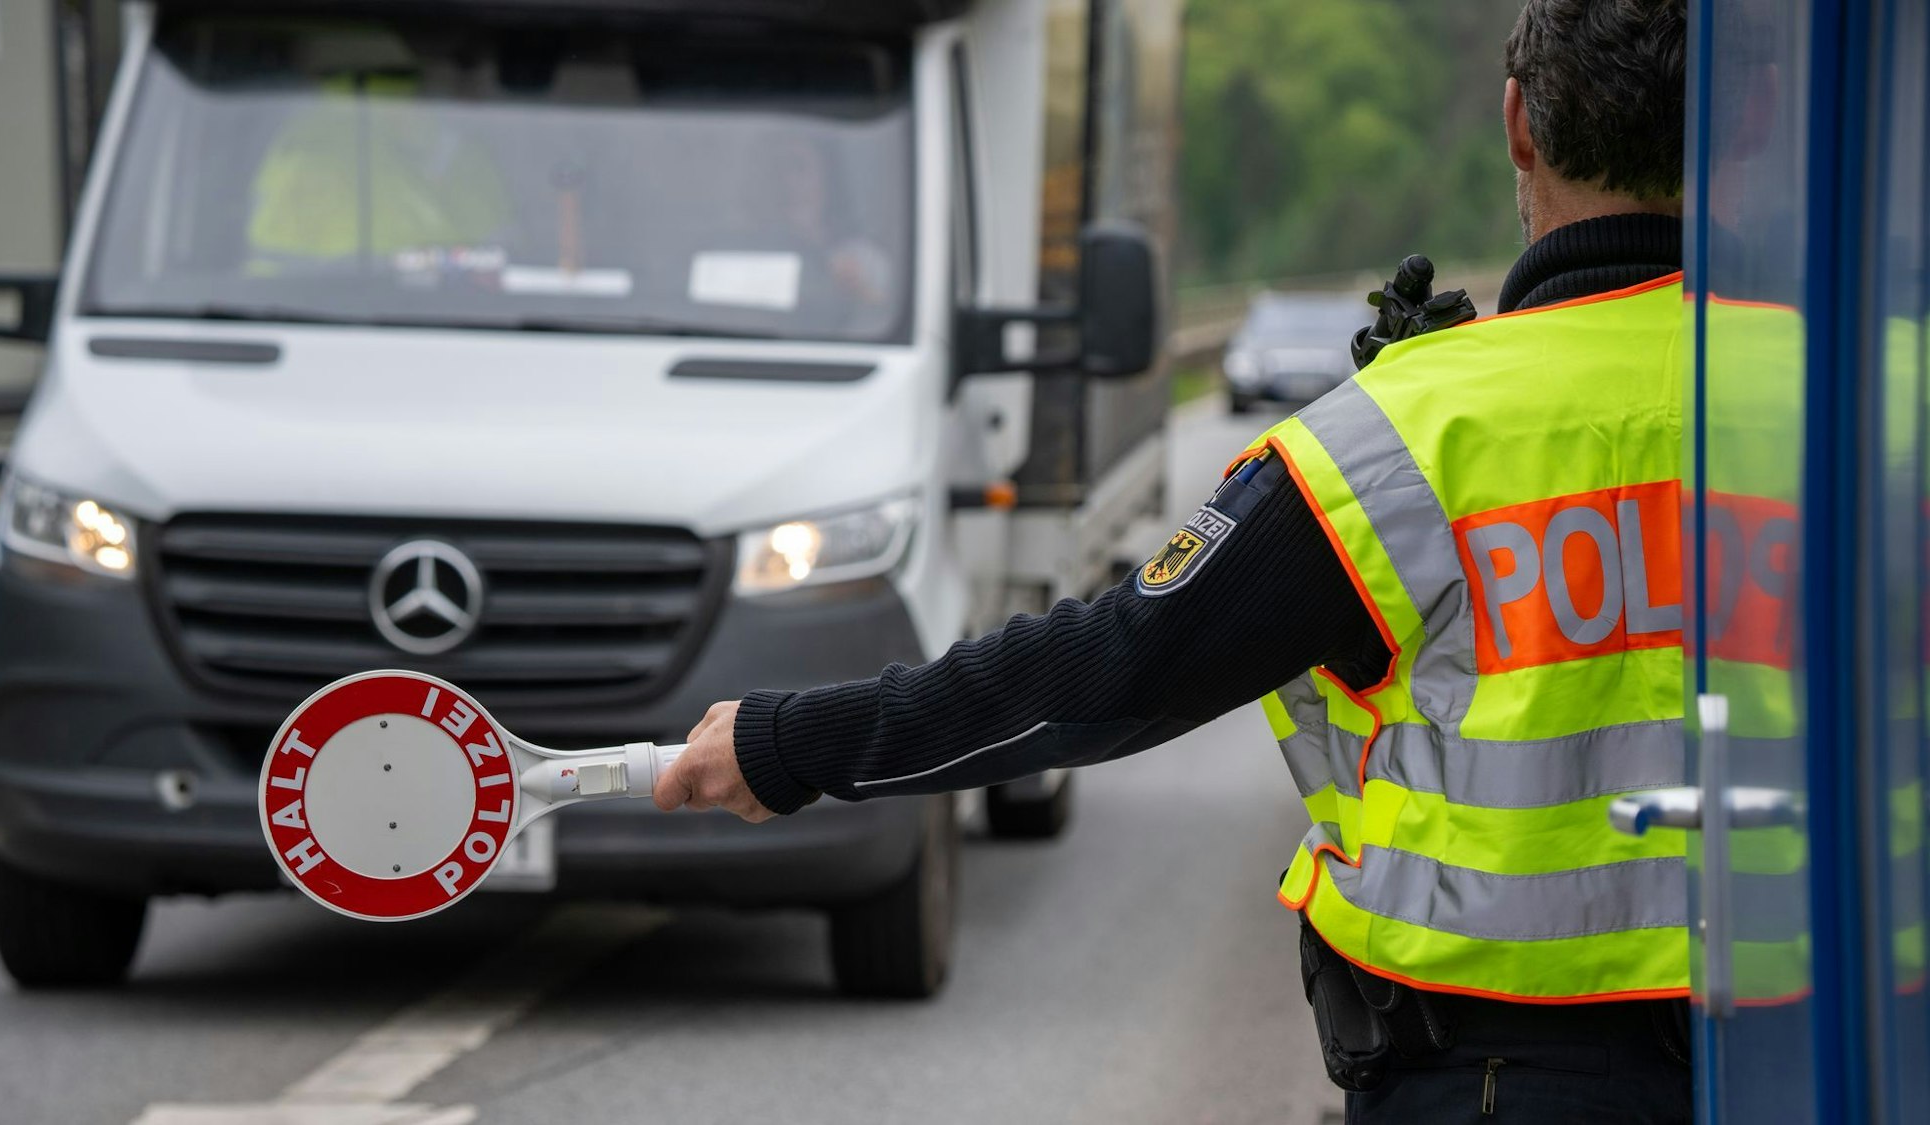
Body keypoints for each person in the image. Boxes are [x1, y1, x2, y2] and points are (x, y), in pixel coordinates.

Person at [655, 1, 1693, 1121]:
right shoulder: (1872, 394)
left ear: (1516, 126)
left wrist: (790, 741)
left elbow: (1111, 670)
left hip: (1492, 1080)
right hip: (1828, 1041)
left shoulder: (1391, 443)